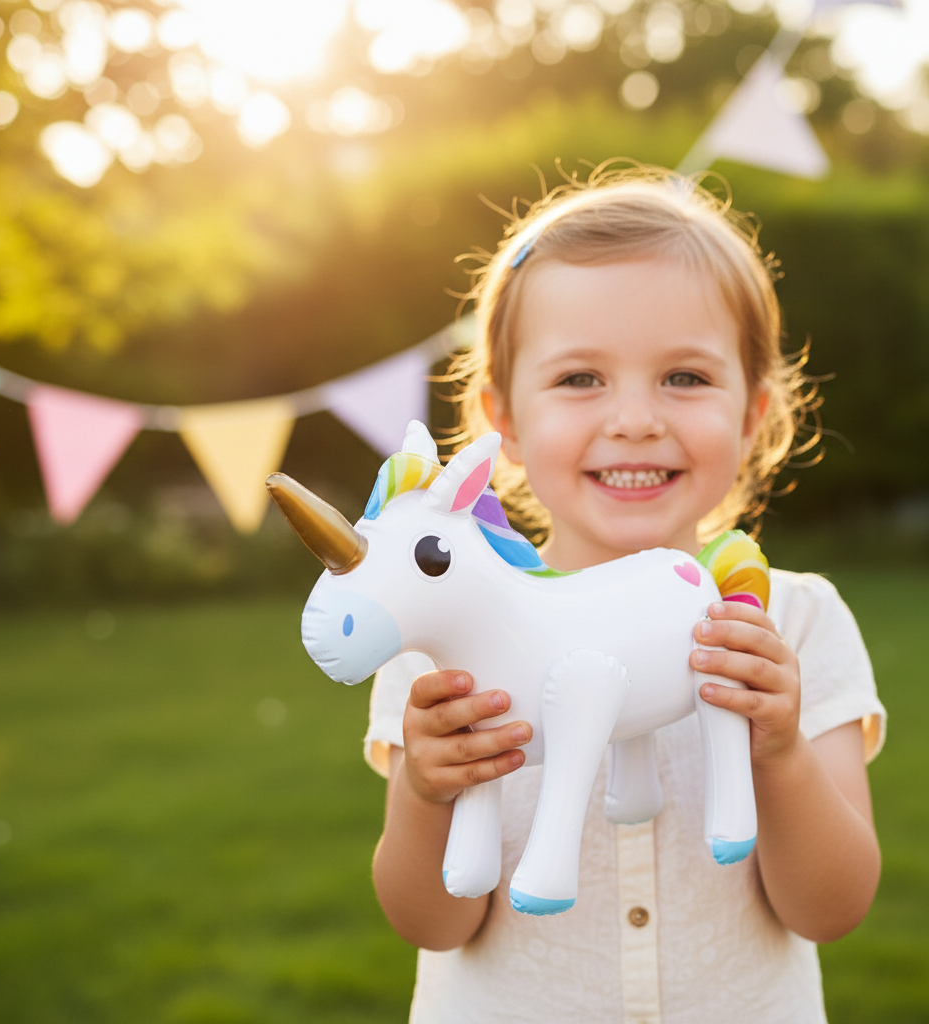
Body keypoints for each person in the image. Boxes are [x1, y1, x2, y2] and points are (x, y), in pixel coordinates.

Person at [363, 164, 886, 1023]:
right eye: (580, 379)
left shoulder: (794, 623)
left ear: (753, 413)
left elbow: (830, 910)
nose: (636, 417)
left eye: (685, 377)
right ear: (506, 424)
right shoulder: (443, 643)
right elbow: (432, 924)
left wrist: (780, 751)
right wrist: (427, 793)